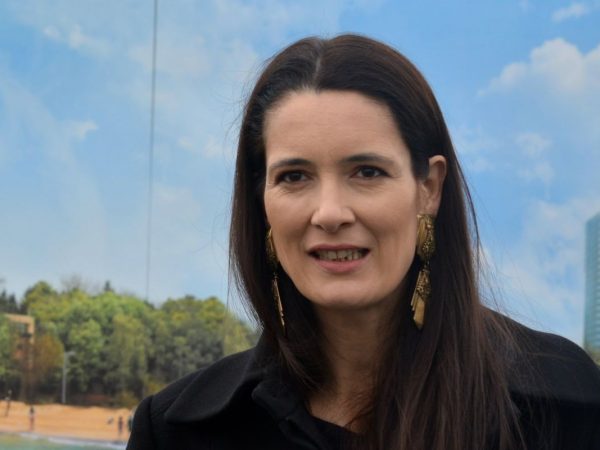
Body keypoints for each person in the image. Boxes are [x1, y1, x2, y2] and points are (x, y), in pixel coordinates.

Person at [127, 34, 600, 450]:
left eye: (367, 172)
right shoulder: (177, 432)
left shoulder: (566, 403)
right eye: (294, 176)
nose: (329, 213)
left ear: (429, 188)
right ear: (262, 201)